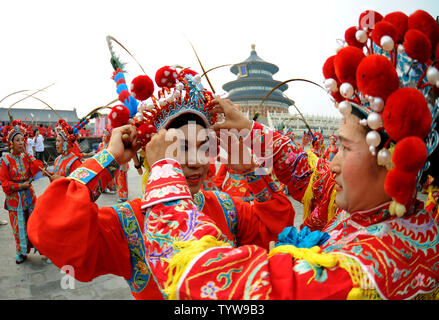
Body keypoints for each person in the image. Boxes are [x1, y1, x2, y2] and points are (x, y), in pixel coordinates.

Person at [136, 9, 439, 300]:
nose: (331, 165)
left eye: (345, 148)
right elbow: (304, 170)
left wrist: (165, 172)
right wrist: (250, 128)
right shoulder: (385, 212)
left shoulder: (370, 264)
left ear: (392, 159)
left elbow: (214, 282)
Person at [27, 67, 295, 300]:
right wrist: (110, 158)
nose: (194, 161)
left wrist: (252, 172)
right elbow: (52, 230)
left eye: (203, 146)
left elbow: (278, 231)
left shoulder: (226, 208)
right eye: (180, 147)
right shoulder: (128, 222)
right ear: (153, 152)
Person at [0, 120, 44, 264]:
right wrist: (21, 186)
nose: (20, 142)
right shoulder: (6, 160)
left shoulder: (26, 157)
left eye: (22, 140)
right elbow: (5, 184)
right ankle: (21, 252)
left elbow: (38, 169)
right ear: (11, 143)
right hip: (15, 200)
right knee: (18, 228)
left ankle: (43, 249)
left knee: (35, 224)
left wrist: (29, 154)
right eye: (17, 140)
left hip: (29, 197)